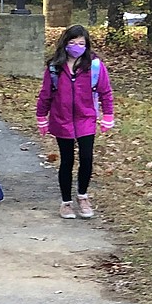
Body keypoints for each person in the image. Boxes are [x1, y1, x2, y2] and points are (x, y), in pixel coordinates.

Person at [36, 24, 114, 219]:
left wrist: (108, 116)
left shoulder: (94, 66)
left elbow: (105, 92)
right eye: (73, 42)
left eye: (81, 43)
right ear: (65, 43)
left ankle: (83, 196)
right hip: (61, 120)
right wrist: (41, 118)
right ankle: (66, 202)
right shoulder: (55, 67)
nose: (77, 46)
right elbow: (45, 94)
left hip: (85, 118)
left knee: (87, 158)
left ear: (87, 45)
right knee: (67, 161)